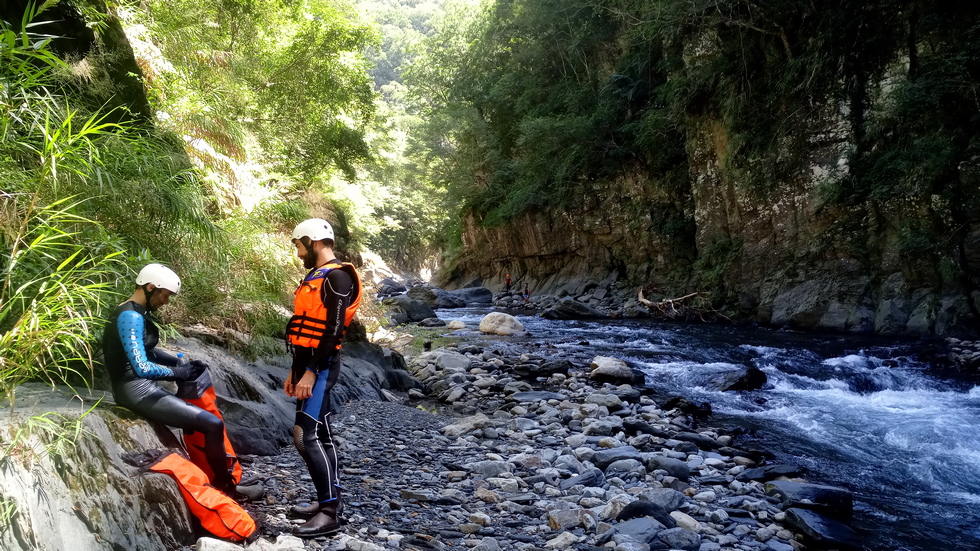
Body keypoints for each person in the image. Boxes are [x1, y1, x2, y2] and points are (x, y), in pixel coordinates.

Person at [102, 263, 235, 495]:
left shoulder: (133, 312)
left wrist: (178, 363)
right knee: (213, 425)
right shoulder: (130, 316)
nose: (166, 302)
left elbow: (147, 351)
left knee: (205, 423)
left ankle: (215, 480)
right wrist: (178, 373)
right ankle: (226, 488)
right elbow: (141, 366)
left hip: (139, 387)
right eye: (165, 295)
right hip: (134, 390)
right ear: (150, 287)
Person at [284, 218, 361, 538]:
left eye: (299, 245)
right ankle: (328, 499)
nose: (298, 252)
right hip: (308, 365)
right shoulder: (315, 276)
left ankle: (329, 512)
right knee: (321, 434)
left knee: (306, 436)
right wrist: (296, 370)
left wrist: (313, 372)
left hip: (324, 366)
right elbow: (305, 328)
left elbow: (331, 332)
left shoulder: (338, 277)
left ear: (313, 241)